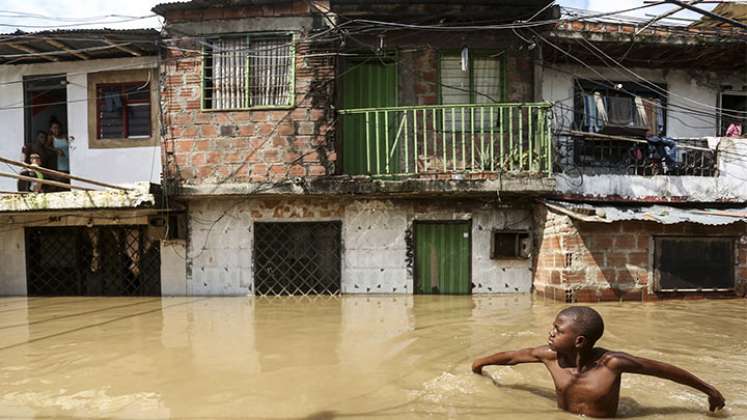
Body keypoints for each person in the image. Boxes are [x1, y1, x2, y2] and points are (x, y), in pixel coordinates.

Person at [471, 306, 725, 418]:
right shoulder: (549, 356)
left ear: (579, 341)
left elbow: (665, 371)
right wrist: (479, 364)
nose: (550, 333)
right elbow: (513, 357)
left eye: (557, 331)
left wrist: (710, 391)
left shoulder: (612, 363)